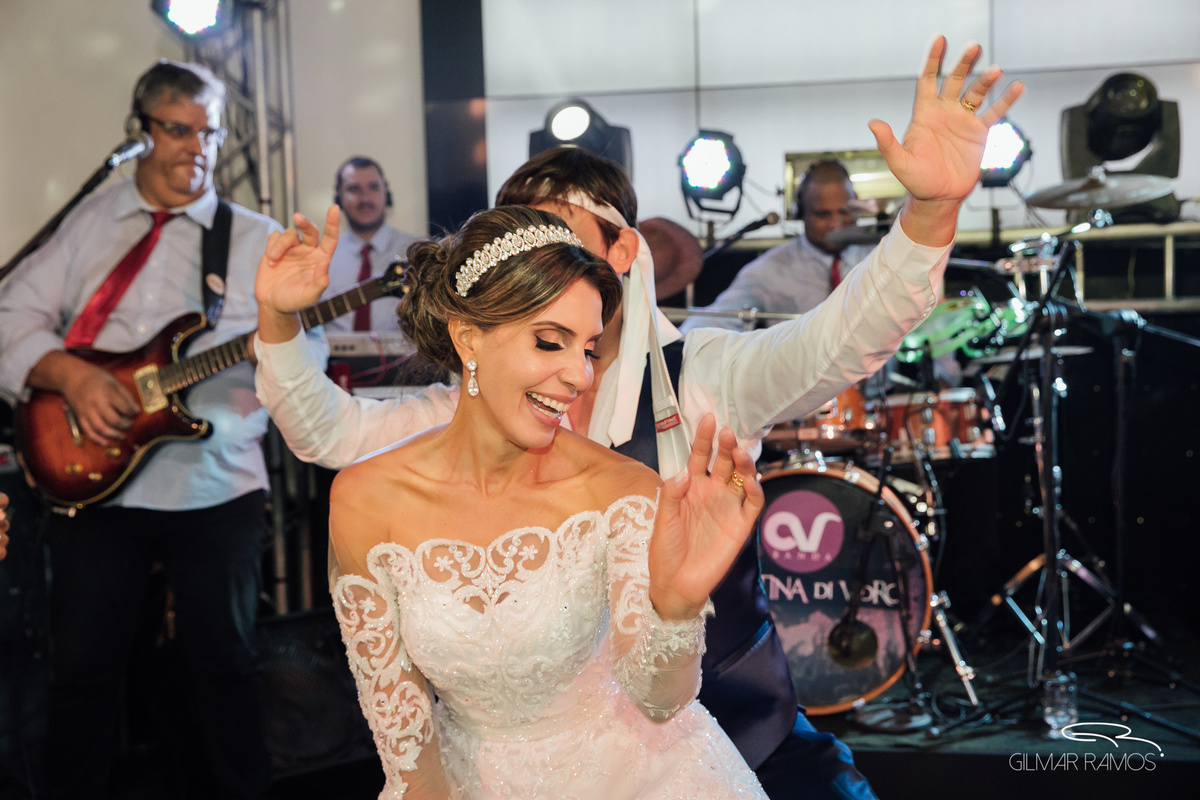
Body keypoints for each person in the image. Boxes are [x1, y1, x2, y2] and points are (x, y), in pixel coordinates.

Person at [253, 37, 1022, 800]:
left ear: (621, 252)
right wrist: (281, 324)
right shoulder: (463, 408)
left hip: (733, 728)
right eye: (528, 257)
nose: (545, 273)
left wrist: (931, 210)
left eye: (563, 248)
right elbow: (328, 434)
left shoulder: (704, 376)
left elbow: (834, 343)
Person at [323, 204, 769, 798]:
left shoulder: (621, 490)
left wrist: (677, 606)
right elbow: (407, 751)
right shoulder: (365, 500)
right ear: (467, 338)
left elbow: (660, 702)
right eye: (550, 342)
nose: (580, 376)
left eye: (587, 348)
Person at [0, 60, 325, 799]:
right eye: (178, 130)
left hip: (216, 484)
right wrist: (71, 376)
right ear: (140, 133)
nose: (197, 148)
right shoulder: (88, 222)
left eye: (209, 132)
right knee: (83, 676)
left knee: (227, 671)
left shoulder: (255, 240)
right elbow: (8, 316)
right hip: (95, 490)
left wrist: (289, 338)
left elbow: (307, 359)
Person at [680, 159, 868, 334]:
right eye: (823, 215)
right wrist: (677, 345)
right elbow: (716, 319)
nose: (836, 224)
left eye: (845, 211)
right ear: (800, 213)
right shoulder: (771, 268)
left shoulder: (878, 256)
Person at [325, 156, 421, 332]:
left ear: (387, 195)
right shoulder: (321, 256)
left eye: (373, 187)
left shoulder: (417, 251)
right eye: (354, 189)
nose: (365, 198)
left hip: (405, 359)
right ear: (339, 199)